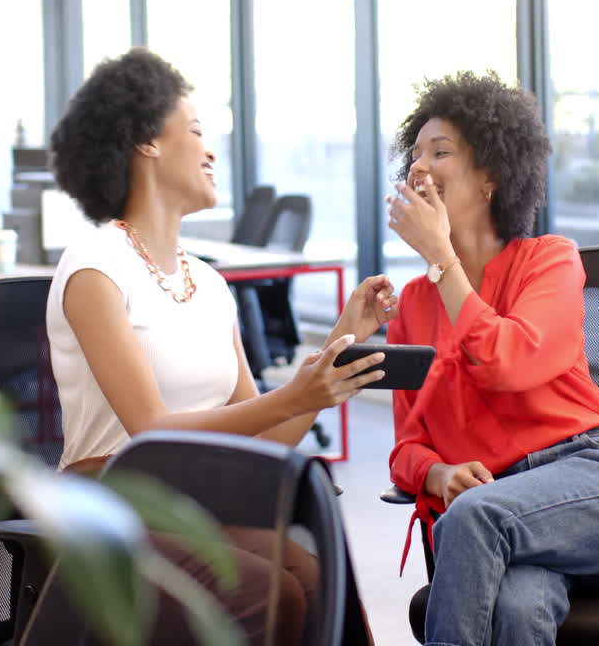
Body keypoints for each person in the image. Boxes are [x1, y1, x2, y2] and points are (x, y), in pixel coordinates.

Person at [45, 47, 391, 645]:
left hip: (191, 502)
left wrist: (338, 346)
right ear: (146, 140)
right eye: (198, 131)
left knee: (316, 574)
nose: (211, 151)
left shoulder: (208, 283)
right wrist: (292, 397)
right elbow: (151, 433)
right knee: (271, 593)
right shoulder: (94, 269)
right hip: (110, 501)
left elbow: (260, 437)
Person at [384, 71, 599, 646]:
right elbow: (406, 446)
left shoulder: (550, 262)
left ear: (490, 177)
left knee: (475, 517)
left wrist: (441, 259)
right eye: (414, 155)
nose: (419, 168)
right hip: (506, 513)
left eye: (440, 153)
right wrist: (437, 473)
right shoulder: (413, 304)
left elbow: (506, 362)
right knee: (516, 609)